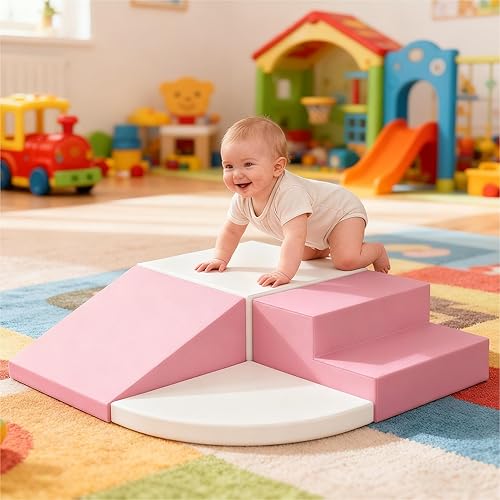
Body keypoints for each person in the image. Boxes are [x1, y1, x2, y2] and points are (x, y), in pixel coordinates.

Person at [195, 116, 390, 287]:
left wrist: (283, 272)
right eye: (229, 166)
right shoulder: (242, 199)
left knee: (345, 260)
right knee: (303, 255)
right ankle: (325, 247)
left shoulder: (289, 193)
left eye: (248, 164)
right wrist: (219, 258)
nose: (237, 174)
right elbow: (232, 231)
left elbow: (294, 236)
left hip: (342, 212)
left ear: (277, 167)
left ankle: (376, 250)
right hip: (317, 227)